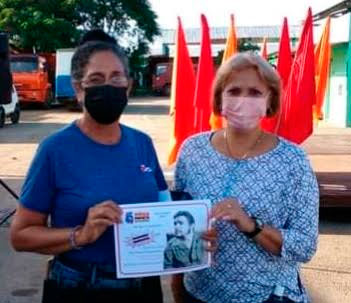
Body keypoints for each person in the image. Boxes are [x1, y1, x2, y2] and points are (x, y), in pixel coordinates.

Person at [10, 41, 170, 303]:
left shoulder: (142, 143)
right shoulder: (55, 150)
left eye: (116, 77)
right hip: (81, 287)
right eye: (96, 79)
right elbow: (20, 235)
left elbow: (164, 209)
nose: (108, 86)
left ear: (128, 85)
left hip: (144, 286)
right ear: (78, 89)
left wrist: (194, 234)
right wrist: (80, 235)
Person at [172, 52, 319, 303]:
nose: (243, 100)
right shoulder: (192, 150)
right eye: (234, 91)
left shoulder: (293, 160)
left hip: (267, 296)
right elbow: (176, 220)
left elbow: (304, 246)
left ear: (270, 100)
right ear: (219, 98)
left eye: (254, 92)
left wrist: (252, 226)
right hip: (198, 292)